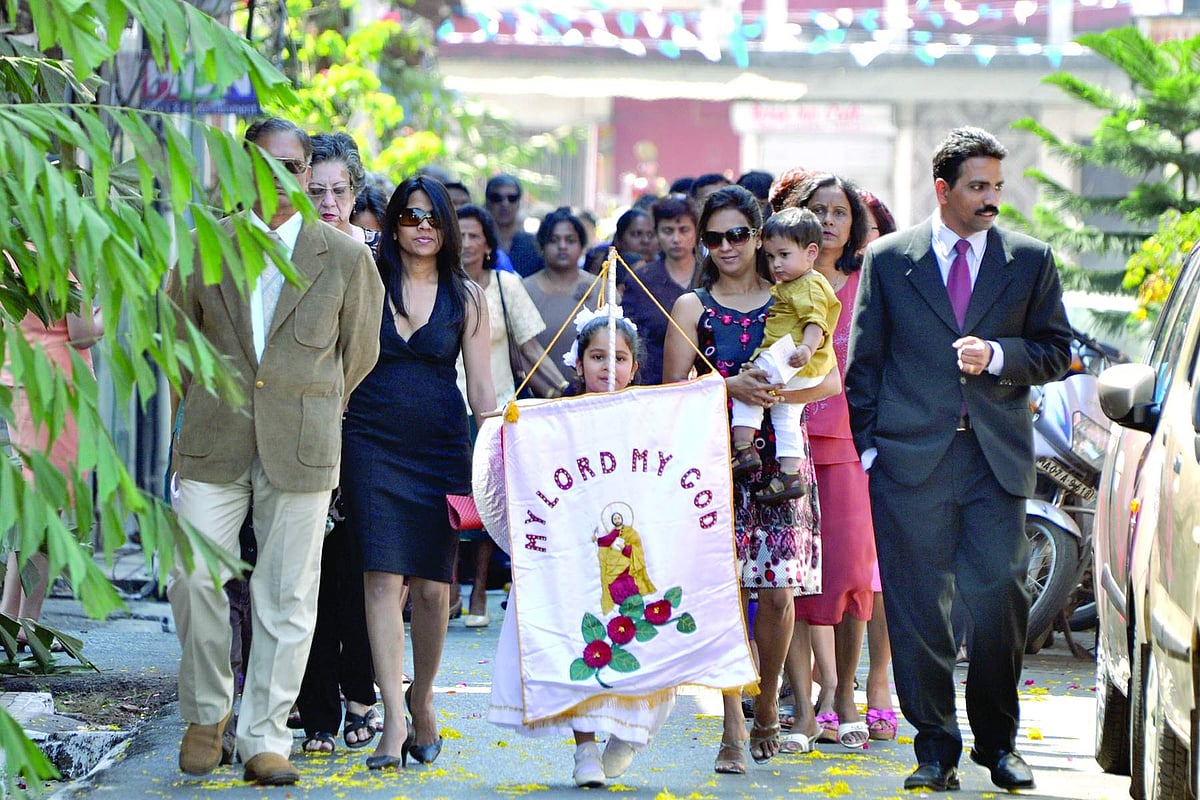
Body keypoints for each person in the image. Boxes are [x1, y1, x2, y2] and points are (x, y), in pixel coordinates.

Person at [845, 127, 1072, 793]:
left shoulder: (1029, 260)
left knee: (998, 596)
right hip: (908, 461)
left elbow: (1056, 350)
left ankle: (1000, 748)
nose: (992, 198)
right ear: (943, 190)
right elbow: (866, 364)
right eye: (979, 186)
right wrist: (869, 453)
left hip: (994, 461)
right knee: (919, 611)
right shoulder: (889, 260)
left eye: (998, 186)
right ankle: (934, 750)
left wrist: (999, 355)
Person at [166, 116, 384, 786]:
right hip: (213, 437)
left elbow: (360, 353)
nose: (282, 180)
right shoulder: (206, 245)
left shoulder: (346, 257)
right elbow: (176, 337)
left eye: (293, 167)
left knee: (288, 596)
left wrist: (307, 402)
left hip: (302, 443)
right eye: (265, 165)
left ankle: (265, 737)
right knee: (193, 577)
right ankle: (209, 711)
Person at [662, 185, 836, 773]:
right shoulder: (693, 308)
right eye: (714, 237)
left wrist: (779, 390)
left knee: (780, 596)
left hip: (782, 462)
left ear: (760, 235)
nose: (727, 246)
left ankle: (767, 706)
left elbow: (831, 384)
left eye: (739, 233)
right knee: (728, 596)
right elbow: (672, 397)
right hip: (717, 465)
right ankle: (733, 721)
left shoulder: (789, 296)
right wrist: (726, 387)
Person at [341, 176, 496, 771]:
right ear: (393, 225)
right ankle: (393, 719)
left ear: (448, 227)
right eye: (409, 217)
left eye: (433, 217)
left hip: (440, 446)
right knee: (381, 580)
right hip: (371, 439)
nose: (422, 227)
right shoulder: (365, 279)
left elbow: (481, 389)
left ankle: (422, 697)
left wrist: (498, 448)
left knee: (433, 592)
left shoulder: (469, 296)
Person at [488, 308, 676, 788]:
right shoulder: (554, 419)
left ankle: (629, 736)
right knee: (582, 645)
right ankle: (586, 749)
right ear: (577, 363)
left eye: (619, 357)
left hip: (640, 558)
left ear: (636, 366)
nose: (607, 368)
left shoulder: (652, 417)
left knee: (655, 651)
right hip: (577, 558)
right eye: (597, 356)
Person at [779, 173, 876, 752]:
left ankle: (845, 697)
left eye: (840, 211)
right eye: (818, 210)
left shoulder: (870, 282)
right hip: (784, 442)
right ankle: (802, 707)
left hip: (849, 442)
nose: (831, 220)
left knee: (849, 576)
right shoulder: (781, 282)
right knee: (788, 579)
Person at [293, 131, 381, 755]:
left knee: (356, 575)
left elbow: (372, 351)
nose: (326, 201)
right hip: (300, 427)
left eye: (337, 190)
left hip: (363, 433)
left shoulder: (371, 256)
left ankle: (362, 696)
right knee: (305, 576)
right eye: (315, 189)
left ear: (355, 193)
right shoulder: (286, 249)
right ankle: (317, 709)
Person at [451, 204, 567, 625]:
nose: (465, 243)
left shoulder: (504, 285)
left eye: (474, 236)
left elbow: (531, 350)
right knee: (446, 498)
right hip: (446, 405)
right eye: (458, 234)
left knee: (490, 499)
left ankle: (479, 591)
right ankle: (448, 588)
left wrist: (564, 393)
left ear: (487, 244)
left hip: (494, 406)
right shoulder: (439, 284)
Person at [1, 249, 103, 640]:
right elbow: (82, 334)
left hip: (22, 380)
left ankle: (14, 619)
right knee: (45, 510)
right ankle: (24, 622)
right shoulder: (61, 260)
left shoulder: (13, 253)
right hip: (58, 387)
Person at [728, 207, 839, 505]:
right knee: (786, 414)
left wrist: (806, 348)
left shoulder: (809, 284)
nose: (776, 264)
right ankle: (790, 475)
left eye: (784, 255)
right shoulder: (796, 282)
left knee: (748, 387)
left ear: (811, 251)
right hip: (802, 365)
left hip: (791, 354)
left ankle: (743, 449)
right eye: (771, 256)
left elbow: (816, 321)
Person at [856, 187, 899, 742]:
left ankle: (881, 682)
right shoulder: (796, 282)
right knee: (833, 576)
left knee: (881, 572)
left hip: (882, 440)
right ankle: (827, 685)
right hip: (815, 434)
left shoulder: (896, 276)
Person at [620, 196, 698, 385]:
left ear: (696, 232)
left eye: (684, 230)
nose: (676, 239)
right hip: (652, 385)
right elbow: (628, 338)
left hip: (709, 387)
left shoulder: (712, 276)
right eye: (667, 231)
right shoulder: (641, 280)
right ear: (656, 234)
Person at [524, 207, 599, 390]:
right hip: (536, 398)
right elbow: (519, 353)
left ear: (582, 246)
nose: (562, 246)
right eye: (554, 240)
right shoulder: (523, 290)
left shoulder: (600, 289)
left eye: (570, 240)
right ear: (541, 246)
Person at [485, 174, 543, 277]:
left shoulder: (534, 245)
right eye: (497, 198)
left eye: (512, 198)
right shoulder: (476, 242)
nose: (504, 204)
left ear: (519, 202)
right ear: (487, 201)